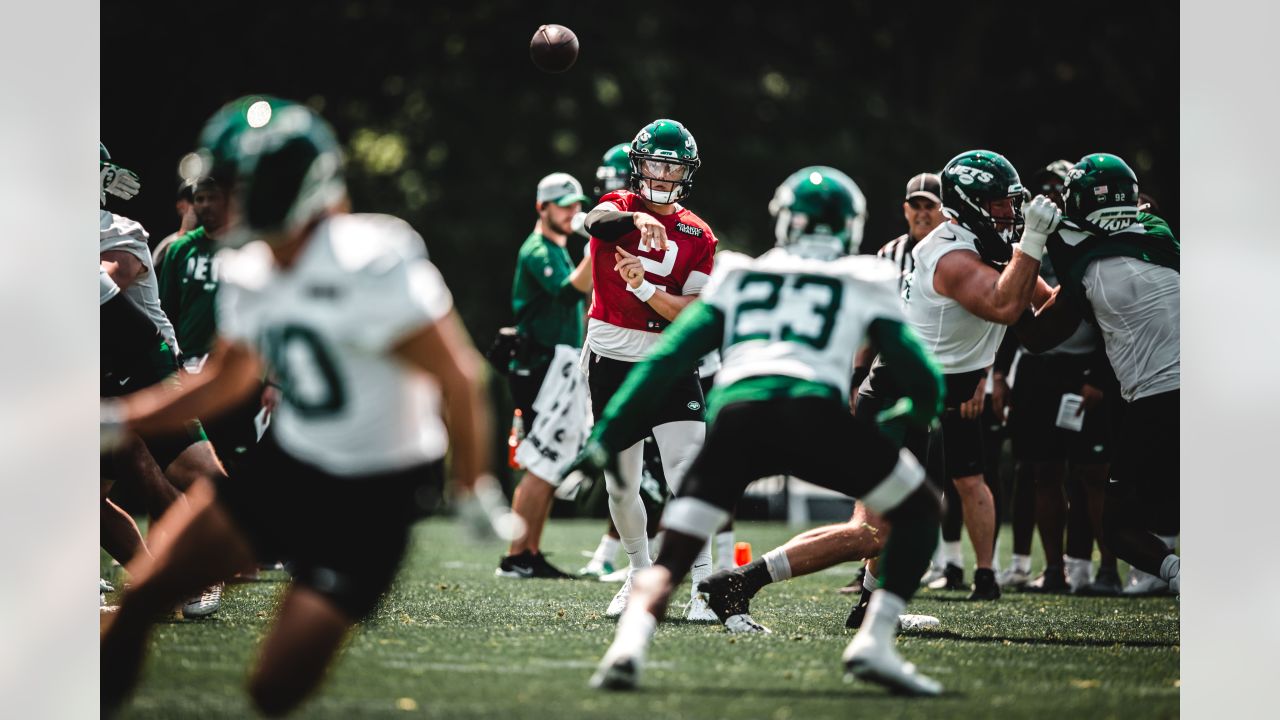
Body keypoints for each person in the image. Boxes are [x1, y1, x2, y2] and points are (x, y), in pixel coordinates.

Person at [100, 97, 509, 716]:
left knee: (272, 689)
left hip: (376, 492)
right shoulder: (251, 267)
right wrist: (124, 420)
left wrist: (474, 485)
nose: (219, 201)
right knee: (140, 602)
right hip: (290, 466)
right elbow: (224, 383)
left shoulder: (372, 257)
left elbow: (460, 377)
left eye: (236, 186)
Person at [572, 166, 947, 695]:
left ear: (784, 221)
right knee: (921, 509)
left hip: (739, 416)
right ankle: (875, 640)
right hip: (814, 414)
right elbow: (922, 375)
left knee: (676, 549)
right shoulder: (867, 274)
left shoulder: (740, 271)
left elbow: (670, 356)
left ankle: (627, 647)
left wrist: (608, 433)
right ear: (850, 226)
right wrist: (905, 417)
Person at [1013, 152, 1180, 596]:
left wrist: (1026, 243)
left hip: (1160, 400)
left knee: (1120, 527)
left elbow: (1035, 335)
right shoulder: (1157, 231)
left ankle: (1183, 577)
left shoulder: (1089, 266)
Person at [579, 119, 720, 620]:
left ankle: (703, 583)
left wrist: (642, 289)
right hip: (612, 358)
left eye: (673, 165)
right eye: (655, 164)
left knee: (688, 472)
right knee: (622, 482)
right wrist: (637, 221)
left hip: (667, 360)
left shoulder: (699, 234)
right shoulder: (616, 207)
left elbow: (691, 312)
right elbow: (592, 223)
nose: (662, 175)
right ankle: (639, 572)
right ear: (638, 165)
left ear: (686, 171)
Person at [495, 172, 593, 579]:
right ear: (543, 208)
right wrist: (600, 248)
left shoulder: (558, 248)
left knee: (551, 461)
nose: (573, 211)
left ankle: (530, 552)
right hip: (539, 369)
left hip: (558, 366)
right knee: (539, 461)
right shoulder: (537, 249)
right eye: (564, 204)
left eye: (576, 204)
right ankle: (516, 556)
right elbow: (569, 292)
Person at [151, 177, 199, 272]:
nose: (202, 205)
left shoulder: (218, 245)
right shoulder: (168, 246)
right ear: (181, 206)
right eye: (196, 200)